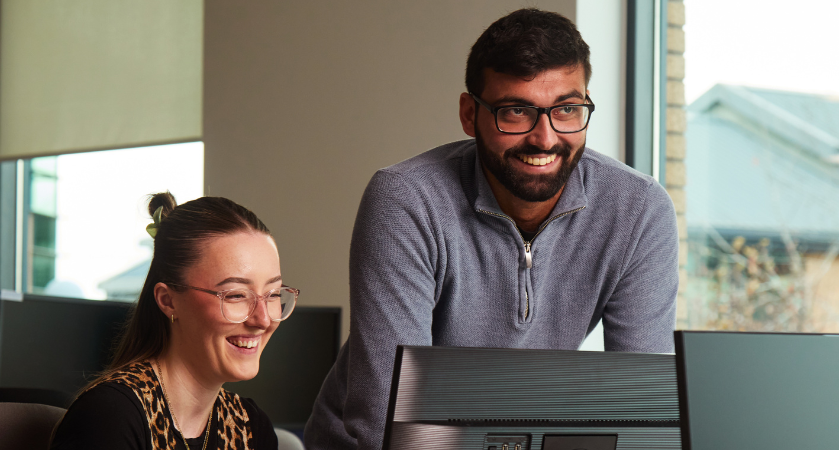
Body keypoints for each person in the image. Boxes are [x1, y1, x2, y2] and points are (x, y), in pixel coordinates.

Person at [304, 8, 678, 450]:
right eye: (516, 111)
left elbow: (641, 413)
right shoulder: (406, 199)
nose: (545, 137)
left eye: (567, 109)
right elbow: (384, 418)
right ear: (469, 113)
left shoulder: (639, 210)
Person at [51, 192, 299, 450]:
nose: (263, 318)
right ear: (168, 301)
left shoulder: (249, 425)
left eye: (272, 294)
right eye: (236, 295)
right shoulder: (110, 418)